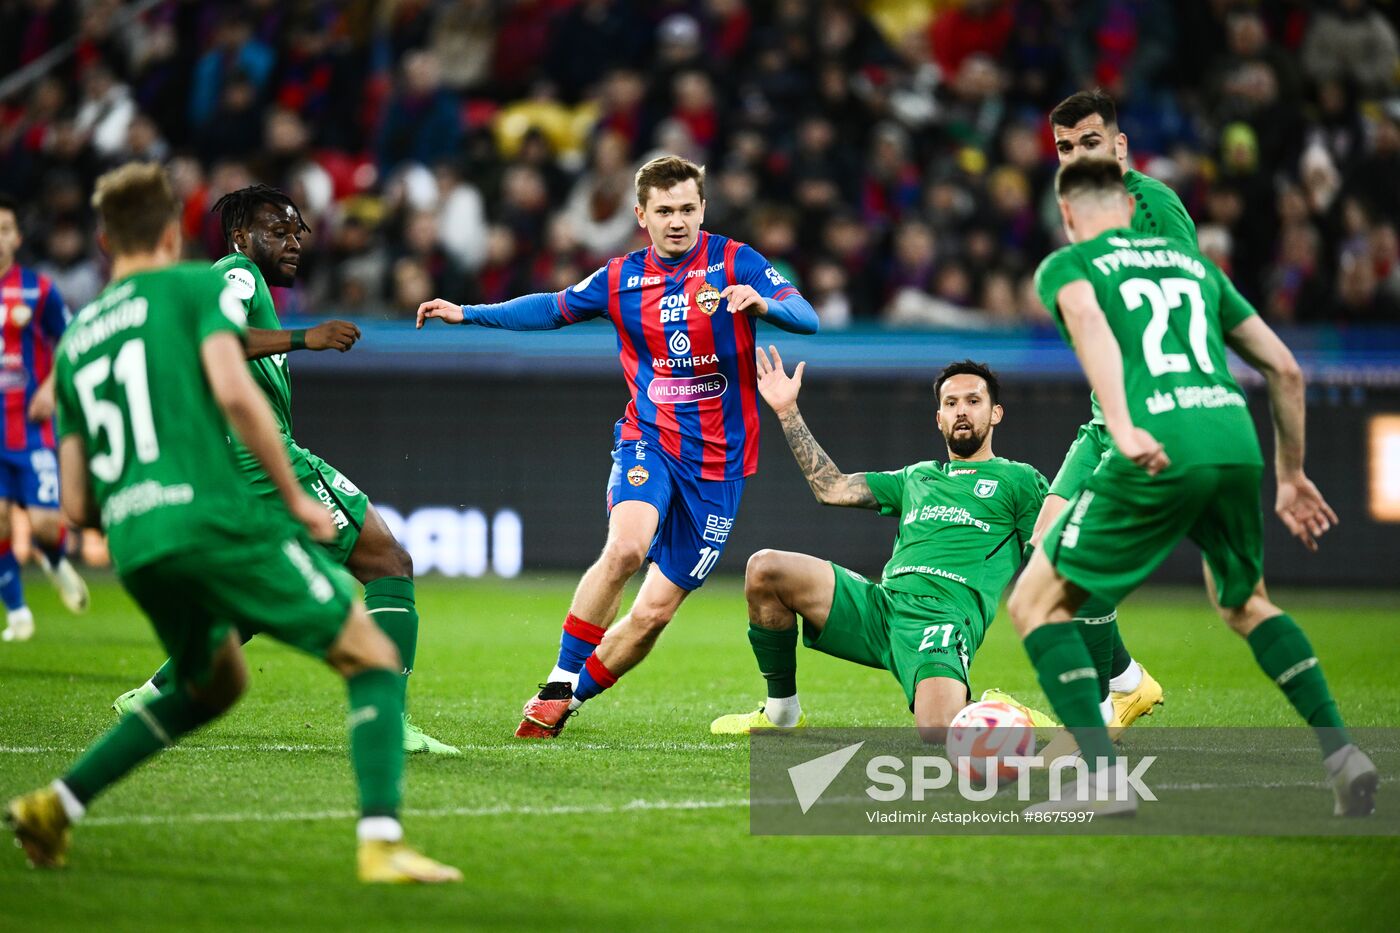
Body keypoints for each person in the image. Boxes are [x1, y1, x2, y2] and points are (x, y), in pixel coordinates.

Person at [3, 163, 460, 882]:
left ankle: (55, 804)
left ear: (101, 238)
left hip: (134, 539)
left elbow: (78, 507)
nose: (296, 239)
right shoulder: (211, 282)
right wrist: (292, 486)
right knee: (371, 638)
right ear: (168, 233)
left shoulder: (81, 337)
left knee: (211, 684)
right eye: (282, 227)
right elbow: (231, 387)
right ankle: (381, 842)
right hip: (216, 500)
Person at [1008, 157, 1377, 816]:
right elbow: (1286, 369)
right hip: (1235, 438)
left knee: (1036, 601)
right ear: (1130, 206)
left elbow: (1090, 326)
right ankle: (1343, 753)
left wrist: (1120, 424)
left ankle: (1102, 777)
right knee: (1245, 603)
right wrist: (1291, 474)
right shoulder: (1199, 267)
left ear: (1068, 216)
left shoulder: (1070, 265)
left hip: (1158, 440)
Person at [417, 155, 819, 738]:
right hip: (649, 440)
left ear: (703, 209)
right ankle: (557, 678)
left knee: (653, 615)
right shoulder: (621, 278)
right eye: (664, 211)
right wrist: (468, 313)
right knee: (627, 547)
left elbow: (805, 316)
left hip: (720, 467)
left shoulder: (738, 263)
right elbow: (552, 308)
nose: (677, 221)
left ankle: (565, 703)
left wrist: (764, 305)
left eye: (687, 209)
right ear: (641, 215)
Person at [110, 185, 457, 756]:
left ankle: (154, 694)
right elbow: (214, 341)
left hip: (233, 467)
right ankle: (388, 722)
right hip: (266, 461)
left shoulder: (240, 281)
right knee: (390, 562)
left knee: (256, 595)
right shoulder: (238, 273)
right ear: (244, 236)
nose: (295, 242)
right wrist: (307, 338)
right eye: (281, 231)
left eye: (299, 232)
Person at [710, 355, 1047, 740]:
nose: (962, 412)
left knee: (938, 733)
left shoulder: (1019, 479)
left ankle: (1000, 710)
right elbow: (831, 487)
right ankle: (781, 711)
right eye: (951, 404)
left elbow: (1054, 550)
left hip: (942, 619)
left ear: (996, 413)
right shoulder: (917, 477)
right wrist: (787, 410)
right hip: (881, 608)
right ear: (939, 418)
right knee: (765, 568)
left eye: (973, 401)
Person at [1017, 88, 1201, 738]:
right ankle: (1124, 681)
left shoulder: (1153, 204)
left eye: (1088, 143)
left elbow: (1188, 298)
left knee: (1070, 562)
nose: (1074, 155)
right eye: (1064, 147)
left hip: (1153, 413)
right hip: (1105, 415)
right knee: (1044, 544)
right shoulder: (1078, 211)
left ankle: (1096, 715)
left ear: (1119, 145)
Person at [0, 193, 89, 643]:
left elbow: (71, 341)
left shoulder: (39, 290)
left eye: (4, 229)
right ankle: (17, 613)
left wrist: (51, 389)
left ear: (16, 237)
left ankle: (53, 559)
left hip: (32, 430)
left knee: (43, 526)